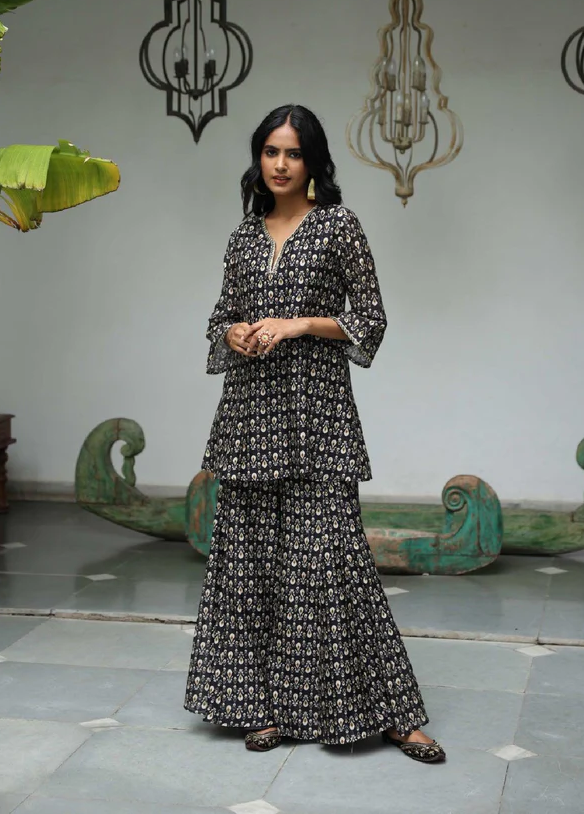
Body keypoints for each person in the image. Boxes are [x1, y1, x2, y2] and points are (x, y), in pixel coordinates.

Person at [183, 104, 445, 763]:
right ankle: (259, 707)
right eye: (270, 151)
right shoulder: (243, 237)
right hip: (250, 420)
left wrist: (299, 323)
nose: (280, 164)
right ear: (258, 158)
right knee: (248, 567)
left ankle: (392, 713)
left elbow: (371, 319)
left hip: (317, 417)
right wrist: (234, 332)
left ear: (313, 162)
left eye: (293, 153)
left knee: (334, 563)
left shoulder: (338, 226)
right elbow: (219, 317)